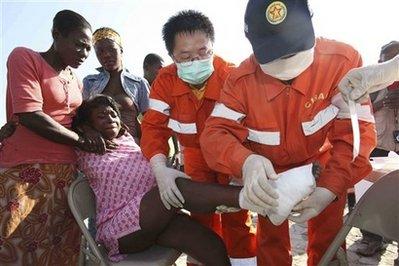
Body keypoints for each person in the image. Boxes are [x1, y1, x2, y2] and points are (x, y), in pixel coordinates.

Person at [199, 0, 377, 265]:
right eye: (275, 53)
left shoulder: (342, 62)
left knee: (328, 241)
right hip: (272, 174)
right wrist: (246, 161)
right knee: (271, 240)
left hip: (326, 166)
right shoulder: (239, 81)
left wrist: (329, 189)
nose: (286, 62)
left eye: (293, 49)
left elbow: (356, 134)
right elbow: (215, 135)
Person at [140, 10, 256, 265]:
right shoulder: (165, 81)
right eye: (185, 56)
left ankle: (243, 262)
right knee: (200, 218)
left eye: (203, 52)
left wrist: (240, 175)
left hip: (230, 155)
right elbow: (153, 128)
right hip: (194, 156)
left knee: (238, 216)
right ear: (172, 56)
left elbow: (251, 125)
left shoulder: (231, 75)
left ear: (213, 46)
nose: (196, 60)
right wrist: (159, 168)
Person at [73, 95, 245, 265]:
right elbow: (65, 125)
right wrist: (84, 131)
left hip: (155, 216)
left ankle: (238, 199)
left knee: (210, 244)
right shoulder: (85, 147)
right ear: (88, 124)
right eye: (101, 117)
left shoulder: (126, 140)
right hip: (120, 228)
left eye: (113, 115)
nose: (110, 120)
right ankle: (252, 196)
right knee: (174, 186)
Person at [0, 10, 103, 265]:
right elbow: (30, 115)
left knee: (60, 245)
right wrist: (80, 141)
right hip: (26, 169)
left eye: (88, 48)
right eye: (79, 45)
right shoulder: (25, 57)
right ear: (56, 35)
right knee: (15, 242)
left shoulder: (74, 79)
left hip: (66, 174)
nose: (84, 53)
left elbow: (75, 119)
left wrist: (88, 130)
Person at [354, 41, 399, 257]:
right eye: (383, 59)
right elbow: (355, 109)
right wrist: (380, 104)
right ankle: (371, 238)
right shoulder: (372, 83)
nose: (385, 63)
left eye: (392, 59)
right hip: (377, 146)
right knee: (368, 189)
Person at [83, 27, 150, 143]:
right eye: (100, 52)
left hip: (132, 149)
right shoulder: (89, 82)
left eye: (112, 49)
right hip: (100, 150)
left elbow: (152, 121)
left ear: (121, 50)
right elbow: (81, 118)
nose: (106, 55)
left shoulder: (139, 83)